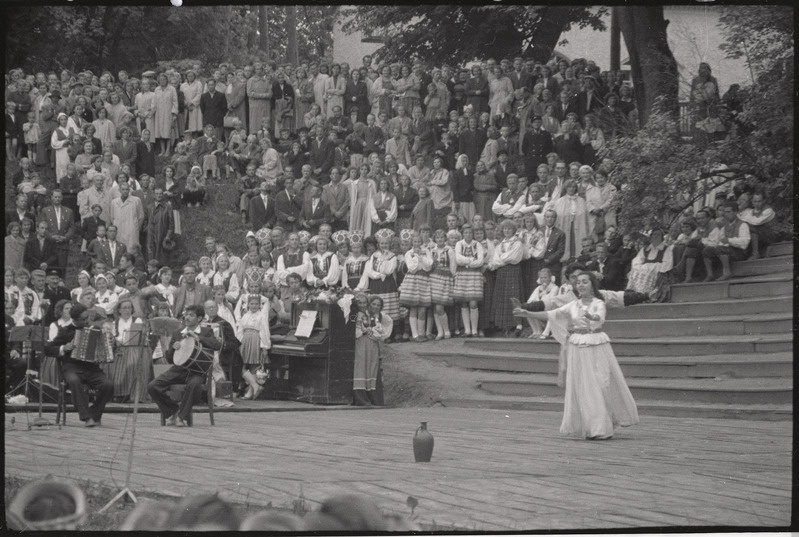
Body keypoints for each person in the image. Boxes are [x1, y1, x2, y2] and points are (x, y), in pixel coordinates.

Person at [513, 272, 639, 439]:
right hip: (578, 346)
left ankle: (601, 425)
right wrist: (527, 313)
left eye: (584, 282)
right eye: (578, 282)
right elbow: (552, 314)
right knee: (585, 386)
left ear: (592, 285)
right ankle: (593, 428)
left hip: (596, 344)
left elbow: (598, 319)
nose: (580, 285)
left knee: (600, 383)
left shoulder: (598, 303)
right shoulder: (573, 305)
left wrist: (587, 315)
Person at [148, 304, 222, 426]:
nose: (187, 317)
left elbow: (217, 345)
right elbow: (170, 359)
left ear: (199, 318)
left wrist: (198, 337)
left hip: (198, 371)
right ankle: (174, 411)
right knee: (152, 386)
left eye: (191, 315)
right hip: (179, 370)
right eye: (186, 314)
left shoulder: (206, 331)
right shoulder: (178, 333)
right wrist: (173, 348)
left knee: (194, 385)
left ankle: (181, 418)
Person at [44, 302, 114, 427]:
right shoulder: (65, 331)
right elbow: (48, 349)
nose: (87, 321)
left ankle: (94, 413)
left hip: (92, 368)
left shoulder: (96, 330)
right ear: (75, 320)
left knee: (108, 385)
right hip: (72, 367)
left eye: (88, 318)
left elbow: (104, 348)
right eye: (84, 319)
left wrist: (110, 343)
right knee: (75, 382)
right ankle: (87, 417)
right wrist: (64, 348)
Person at [352, 295, 392, 406]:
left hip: (372, 344)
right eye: (373, 304)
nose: (375, 307)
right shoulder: (358, 315)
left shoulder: (375, 315)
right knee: (361, 367)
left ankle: (374, 399)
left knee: (372, 368)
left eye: (378, 305)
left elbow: (386, 324)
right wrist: (369, 331)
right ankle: (362, 399)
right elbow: (358, 330)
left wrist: (377, 333)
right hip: (361, 343)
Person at [702, 202, 750, 281]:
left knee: (721, 249)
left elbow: (745, 242)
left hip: (740, 252)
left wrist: (729, 240)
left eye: (729, 212)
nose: (726, 214)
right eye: (725, 212)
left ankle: (727, 272)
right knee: (707, 250)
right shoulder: (724, 227)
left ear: (735, 212)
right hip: (727, 251)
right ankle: (710, 274)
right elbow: (719, 241)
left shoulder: (742, 224)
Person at [235, 294, 271, 401]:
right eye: (252, 304)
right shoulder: (245, 315)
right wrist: (238, 342)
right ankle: (256, 386)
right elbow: (240, 329)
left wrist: (264, 347)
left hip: (256, 340)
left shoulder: (261, 316)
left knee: (254, 367)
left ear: (259, 305)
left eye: (256, 304)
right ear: (248, 304)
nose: (254, 306)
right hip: (245, 340)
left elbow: (264, 331)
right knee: (241, 366)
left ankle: (250, 392)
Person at [453, 224, 485, 338]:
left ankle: (475, 330)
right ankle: (467, 330)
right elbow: (458, 259)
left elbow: (480, 261)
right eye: (466, 233)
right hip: (462, 274)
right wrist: (471, 260)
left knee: (473, 302)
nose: (468, 235)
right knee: (464, 302)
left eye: (470, 233)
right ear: (463, 234)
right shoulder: (459, 244)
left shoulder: (478, 245)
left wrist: (466, 262)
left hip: (474, 275)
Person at [625, 228, 674, 299]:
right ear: (651, 237)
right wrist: (644, 268)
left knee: (648, 274)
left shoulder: (666, 249)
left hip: (658, 272)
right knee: (635, 272)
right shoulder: (645, 249)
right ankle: (635, 295)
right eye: (654, 234)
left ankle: (646, 295)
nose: (656, 236)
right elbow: (636, 262)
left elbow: (667, 264)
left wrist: (652, 267)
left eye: (658, 235)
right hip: (644, 271)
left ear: (662, 237)